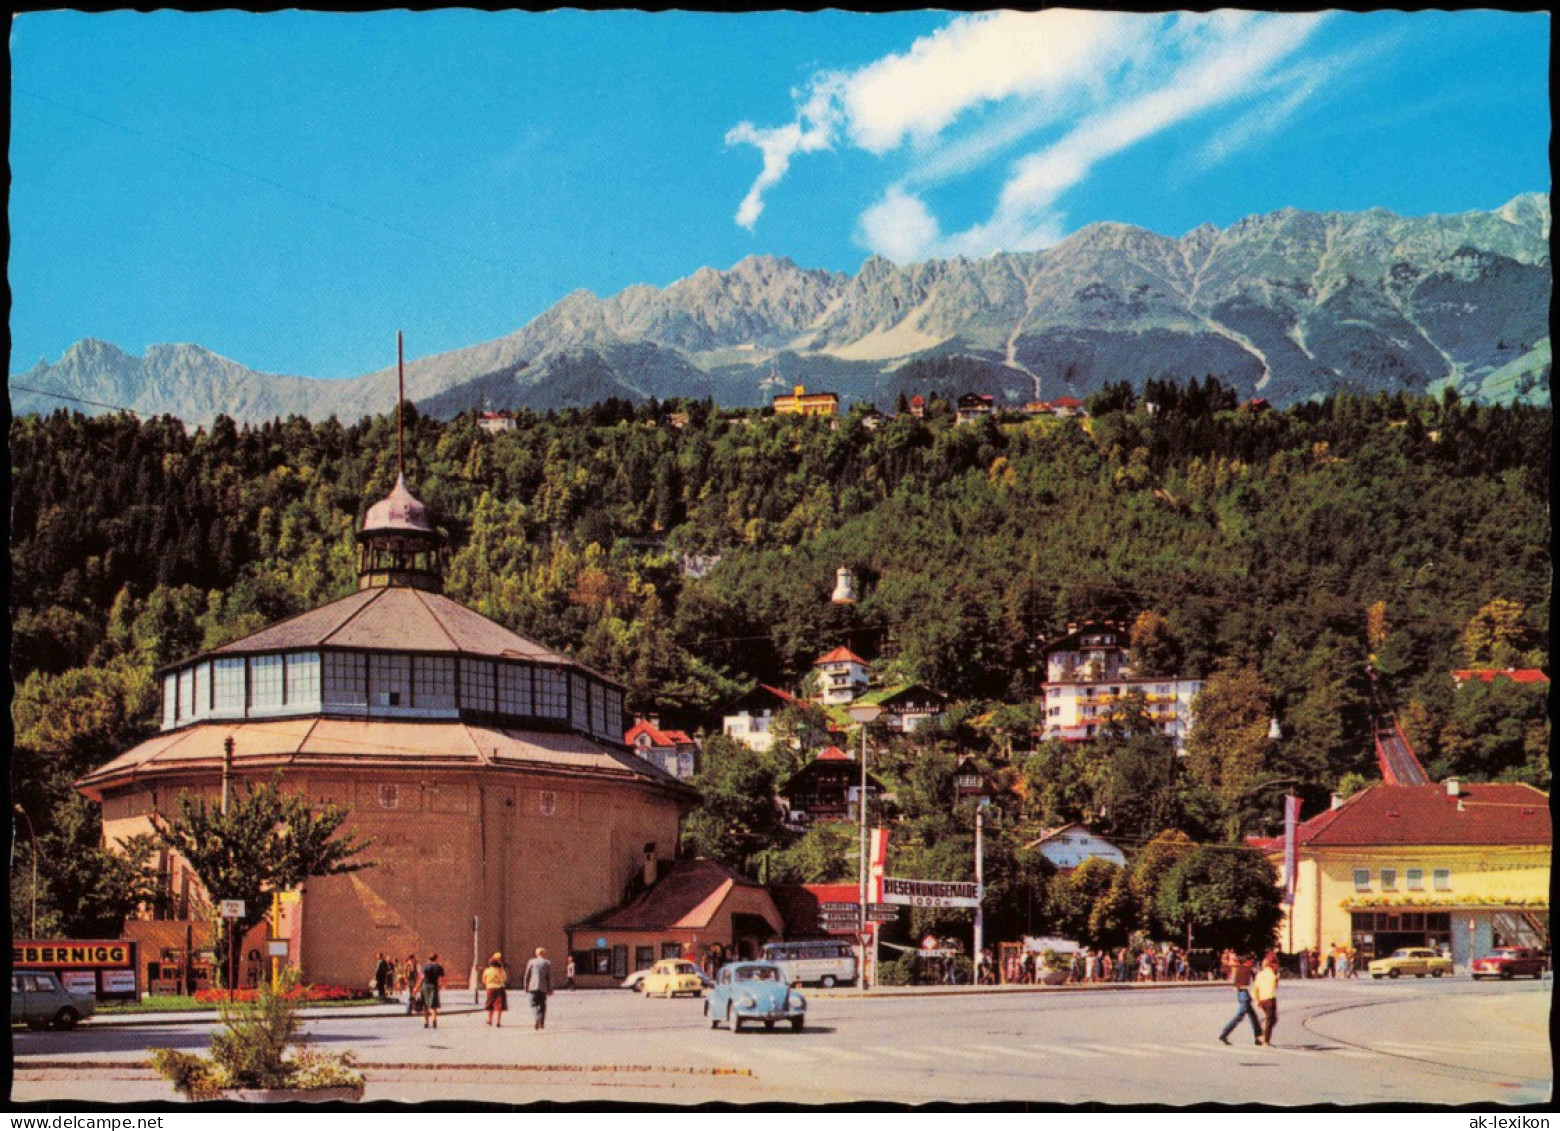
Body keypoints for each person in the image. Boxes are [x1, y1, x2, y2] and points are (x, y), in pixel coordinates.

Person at [1217, 954, 1262, 1046]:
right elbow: (1256, 980)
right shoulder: (1247, 969)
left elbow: (1236, 984)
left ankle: (1258, 1037)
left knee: (1253, 1016)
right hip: (1244, 995)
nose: (1252, 962)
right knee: (1240, 1016)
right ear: (1247, 961)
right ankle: (1224, 1033)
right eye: (1251, 961)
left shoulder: (1240, 968)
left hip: (1241, 994)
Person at [1253, 952, 1280, 1047]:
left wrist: (1257, 1000)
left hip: (1262, 1000)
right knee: (1270, 1020)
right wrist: (1277, 979)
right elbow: (1274, 986)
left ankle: (1263, 1036)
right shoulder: (1272, 974)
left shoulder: (1260, 974)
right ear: (1273, 965)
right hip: (1270, 999)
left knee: (1272, 1019)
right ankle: (1266, 1040)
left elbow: (1255, 988)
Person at [523, 946, 554, 1030]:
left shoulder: (531, 962)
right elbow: (550, 977)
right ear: (543, 953)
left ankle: (536, 1017)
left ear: (536, 953)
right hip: (543, 987)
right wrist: (550, 988)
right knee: (542, 1004)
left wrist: (525, 986)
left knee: (533, 1004)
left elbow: (527, 975)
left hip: (532, 986)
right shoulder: (547, 963)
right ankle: (542, 1023)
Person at [418, 952, 446, 1029]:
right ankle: (434, 1019)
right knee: (433, 1006)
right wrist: (441, 986)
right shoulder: (439, 968)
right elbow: (443, 979)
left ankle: (426, 1022)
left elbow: (422, 978)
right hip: (434, 986)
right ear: (436, 958)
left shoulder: (426, 967)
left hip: (425, 986)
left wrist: (417, 988)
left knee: (425, 1005)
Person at [481, 953, 508, 1027]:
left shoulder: (487, 970)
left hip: (490, 988)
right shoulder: (501, 970)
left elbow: (484, 980)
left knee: (490, 1004)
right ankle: (498, 1022)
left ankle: (489, 1020)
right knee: (499, 1006)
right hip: (500, 988)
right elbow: (504, 978)